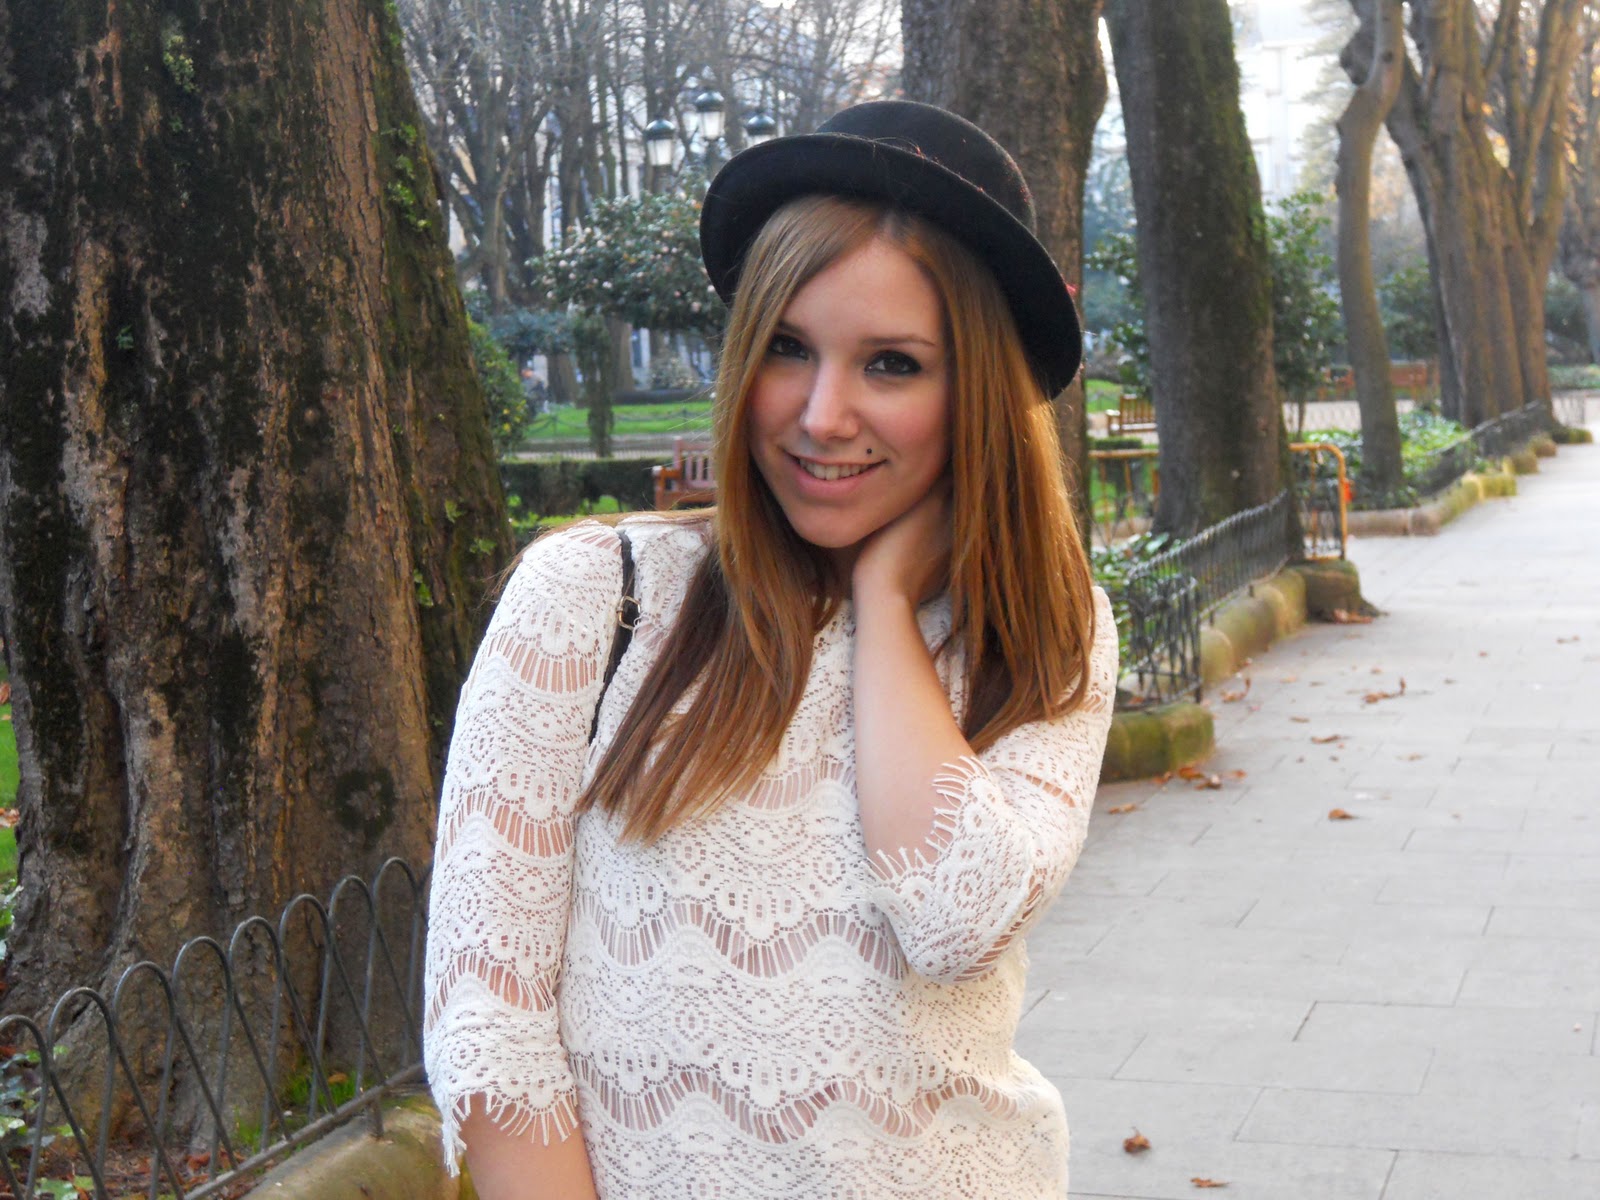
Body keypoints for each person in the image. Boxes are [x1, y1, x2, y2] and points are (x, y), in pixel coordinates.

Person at [423, 100, 1119, 1199]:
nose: (823, 414)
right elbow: (488, 1020)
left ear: (978, 394)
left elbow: (955, 917)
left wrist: (885, 602)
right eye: (789, 348)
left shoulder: (1043, 627)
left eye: (892, 364)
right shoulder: (596, 598)